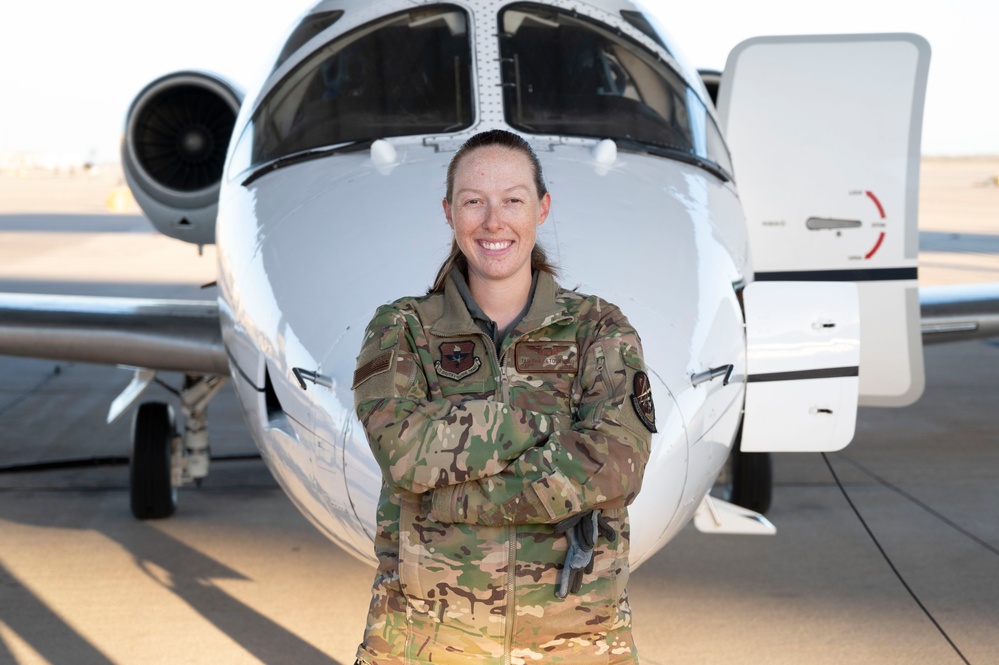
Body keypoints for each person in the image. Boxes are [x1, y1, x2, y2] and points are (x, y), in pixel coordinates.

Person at [351, 129, 655, 664]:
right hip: (425, 640)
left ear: (541, 208)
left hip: (577, 641)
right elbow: (402, 452)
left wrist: (454, 497)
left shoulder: (597, 328)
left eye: (513, 200)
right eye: (474, 202)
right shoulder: (403, 328)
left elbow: (616, 463)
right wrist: (539, 425)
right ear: (449, 212)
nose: (494, 221)